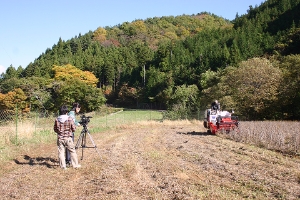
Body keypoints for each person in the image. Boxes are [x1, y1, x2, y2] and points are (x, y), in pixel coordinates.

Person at [54, 104, 81, 170]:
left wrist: (59, 132)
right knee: (72, 151)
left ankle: (63, 166)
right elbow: (73, 128)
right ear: (66, 112)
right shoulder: (69, 119)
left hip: (60, 138)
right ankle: (75, 165)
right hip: (68, 138)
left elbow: (55, 129)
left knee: (61, 152)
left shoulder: (57, 119)